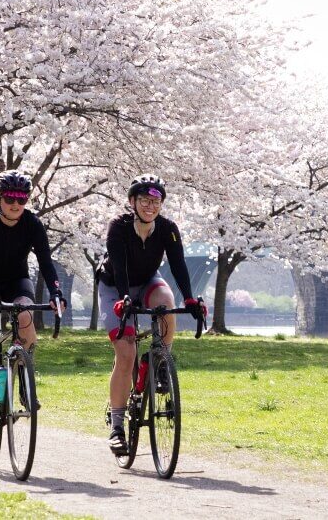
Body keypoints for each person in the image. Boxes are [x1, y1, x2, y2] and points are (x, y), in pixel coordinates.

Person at [96, 174, 206, 454]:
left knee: (167, 303)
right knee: (126, 353)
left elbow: (179, 264)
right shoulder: (119, 227)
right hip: (114, 286)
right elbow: (119, 267)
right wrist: (123, 298)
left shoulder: (167, 228)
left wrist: (190, 297)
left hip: (147, 281)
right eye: (144, 200)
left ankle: (159, 360)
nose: (150, 206)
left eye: (155, 201)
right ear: (132, 202)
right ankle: (117, 427)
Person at [0, 170, 65, 436]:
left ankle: (23, 376)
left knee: (26, 322)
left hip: (16, 282)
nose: (16, 204)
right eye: (9, 197)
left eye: (22, 198)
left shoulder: (32, 224)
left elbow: (45, 262)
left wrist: (56, 292)